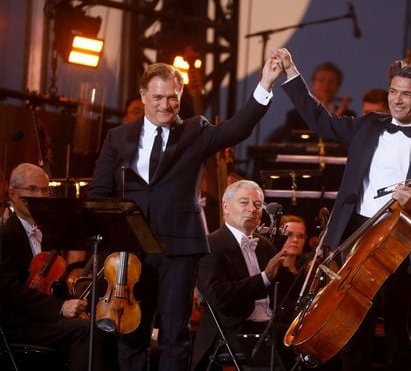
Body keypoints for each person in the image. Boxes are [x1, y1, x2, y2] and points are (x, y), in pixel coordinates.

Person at [88, 58, 283, 371]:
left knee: (174, 333)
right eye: (158, 97)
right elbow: (98, 193)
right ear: (142, 95)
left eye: (172, 97)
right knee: (131, 334)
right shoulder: (118, 137)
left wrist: (265, 85)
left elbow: (238, 128)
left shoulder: (195, 131)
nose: (166, 105)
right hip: (132, 250)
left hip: (179, 248)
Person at [274, 48, 411, 370]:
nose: (397, 100)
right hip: (356, 230)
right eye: (393, 92)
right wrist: (291, 74)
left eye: (407, 95)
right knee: (353, 328)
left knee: (401, 331)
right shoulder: (369, 125)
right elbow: (321, 121)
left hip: (401, 242)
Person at [0, 163, 111, 371]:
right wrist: (60, 308)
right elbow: (8, 290)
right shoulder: (5, 235)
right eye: (32, 189)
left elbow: (56, 284)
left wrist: (74, 302)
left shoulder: (49, 232)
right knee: (85, 330)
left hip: (44, 318)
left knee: (104, 327)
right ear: (12, 193)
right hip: (18, 323)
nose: (40, 196)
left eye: (45, 190)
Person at [191, 180, 294, 370]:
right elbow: (218, 297)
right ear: (226, 207)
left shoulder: (265, 245)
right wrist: (263, 278)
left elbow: (289, 289)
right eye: (244, 202)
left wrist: (317, 266)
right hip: (235, 332)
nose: (252, 209)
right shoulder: (210, 244)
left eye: (257, 204)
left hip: (269, 331)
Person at [268, 61, 356, 142]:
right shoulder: (296, 115)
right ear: (312, 84)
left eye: (331, 81)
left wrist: (338, 115)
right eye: (321, 80)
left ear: (338, 86)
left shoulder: (348, 115)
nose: (326, 85)